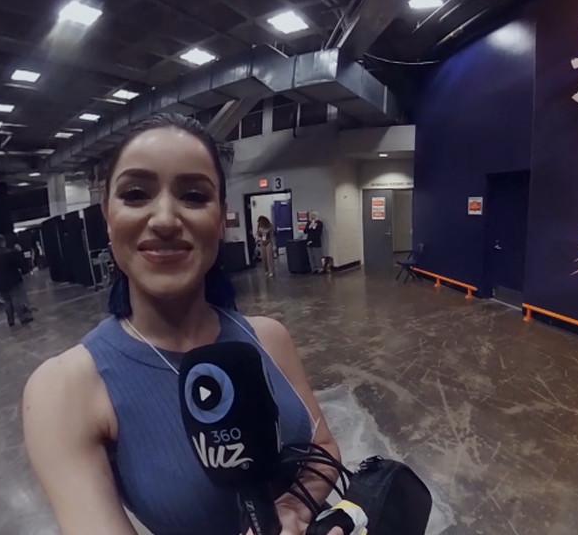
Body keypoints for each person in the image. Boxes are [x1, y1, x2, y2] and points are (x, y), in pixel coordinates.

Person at [23, 113, 341, 535]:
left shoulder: (267, 337)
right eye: (136, 194)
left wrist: (293, 513)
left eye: (194, 196)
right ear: (108, 216)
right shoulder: (64, 389)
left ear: (220, 218)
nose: (166, 219)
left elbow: (323, 448)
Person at [0, 233, 33, 328]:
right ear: (4, 242)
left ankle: (10, 320)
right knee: (16, 300)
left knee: (7, 302)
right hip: (13, 281)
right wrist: (19, 252)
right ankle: (23, 318)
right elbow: (20, 264)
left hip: (1, 283)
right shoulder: (10, 252)